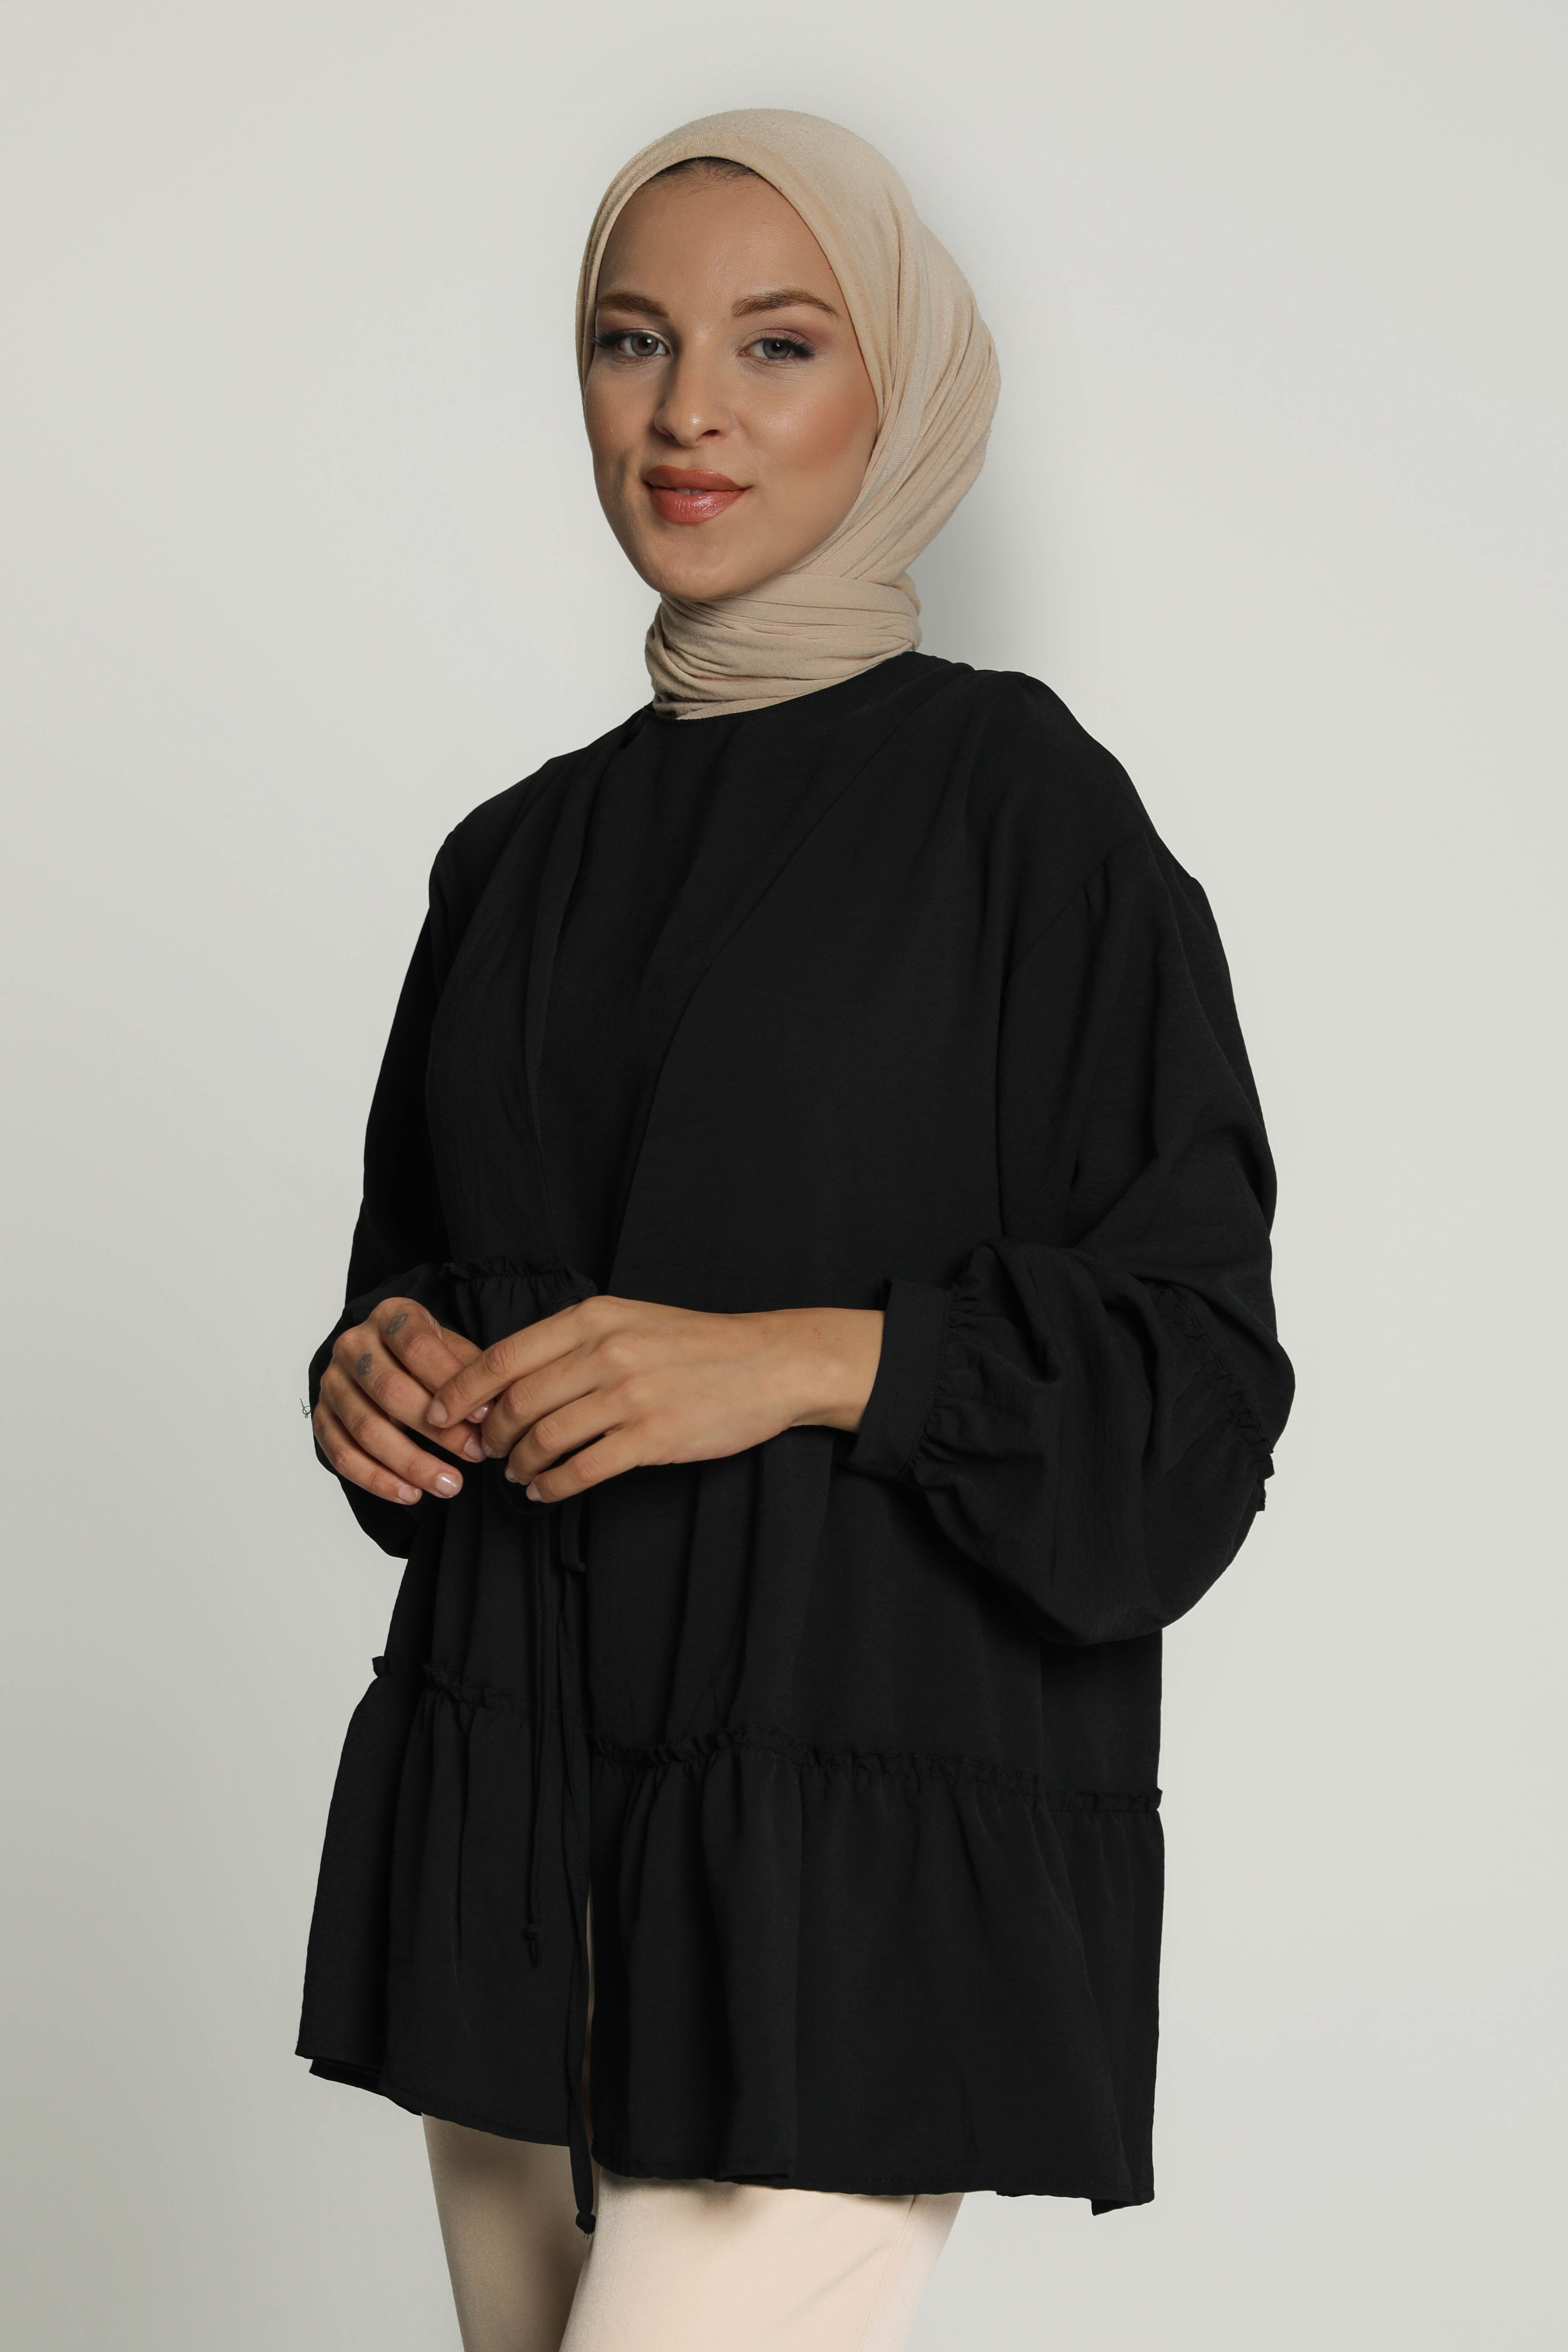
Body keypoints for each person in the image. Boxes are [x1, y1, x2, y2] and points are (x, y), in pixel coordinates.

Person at [299, 108, 1293, 2352]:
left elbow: (1194, 1395)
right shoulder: (512, 861)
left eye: (775, 343)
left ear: (897, 386)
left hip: (837, 1878)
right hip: (515, 1846)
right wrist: (377, 1376)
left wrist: (806, 1359)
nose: (688, 412)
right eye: (629, 341)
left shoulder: (1025, 817)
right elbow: (420, 1284)